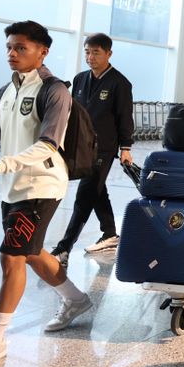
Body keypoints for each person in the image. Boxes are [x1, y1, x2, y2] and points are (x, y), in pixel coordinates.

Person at [0, 20, 93, 367]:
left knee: (11, 257)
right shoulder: (6, 90)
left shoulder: (55, 90)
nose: (12, 53)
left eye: (21, 48)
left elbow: (48, 145)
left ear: (42, 51)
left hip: (41, 185)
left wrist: (2, 165)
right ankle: (75, 299)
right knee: (28, 251)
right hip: (12, 185)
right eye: (9, 47)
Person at [50, 33, 134, 268]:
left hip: (104, 148)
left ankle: (63, 248)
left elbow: (124, 118)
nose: (90, 57)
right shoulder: (80, 79)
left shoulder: (120, 83)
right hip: (80, 146)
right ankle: (109, 233)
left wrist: (126, 148)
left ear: (109, 54)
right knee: (97, 190)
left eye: (96, 52)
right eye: (87, 51)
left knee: (85, 196)